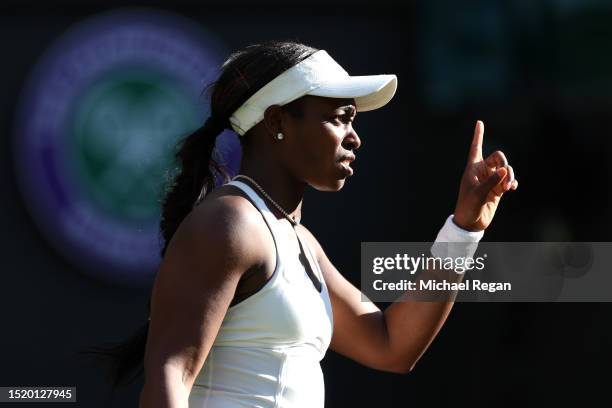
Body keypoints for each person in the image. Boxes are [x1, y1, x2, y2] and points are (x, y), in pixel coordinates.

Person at [103, 40, 518, 407]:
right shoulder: (230, 223)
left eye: (352, 120)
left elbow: (392, 344)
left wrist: (464, 229)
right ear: (278, 122)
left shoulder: (296, 238)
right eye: (339, 117)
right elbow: (168, 378)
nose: (355, 137)